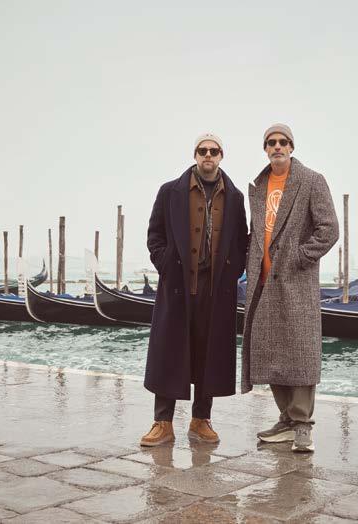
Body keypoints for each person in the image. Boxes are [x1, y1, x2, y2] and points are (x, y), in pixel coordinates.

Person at [140, 133, 248, 446]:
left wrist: (231, 273)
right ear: (195, 154)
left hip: (215, 288)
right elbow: (155, 235)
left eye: (213, 151)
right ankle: (162, 423)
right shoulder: (169, 191)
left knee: (208, 353)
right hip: (177, 284)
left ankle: (201, 420)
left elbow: (241, 241)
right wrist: (166, 265)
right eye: (203, 150)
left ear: (221, 155)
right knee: (169, 352)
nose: (208, 155)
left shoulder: (236, 197)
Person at [242, 123, 339, 452]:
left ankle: (302, 425)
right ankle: (286, 420)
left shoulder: (312, 180)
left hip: (297, 280)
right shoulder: (258, 186)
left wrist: (300, 257)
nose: (277, 147)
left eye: (283, 142)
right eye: (271, 142)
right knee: (270, 350)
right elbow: (256, 233)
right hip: (263, 281)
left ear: (292, 147)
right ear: (265, 148)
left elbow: (329, 229)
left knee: (301, 351)